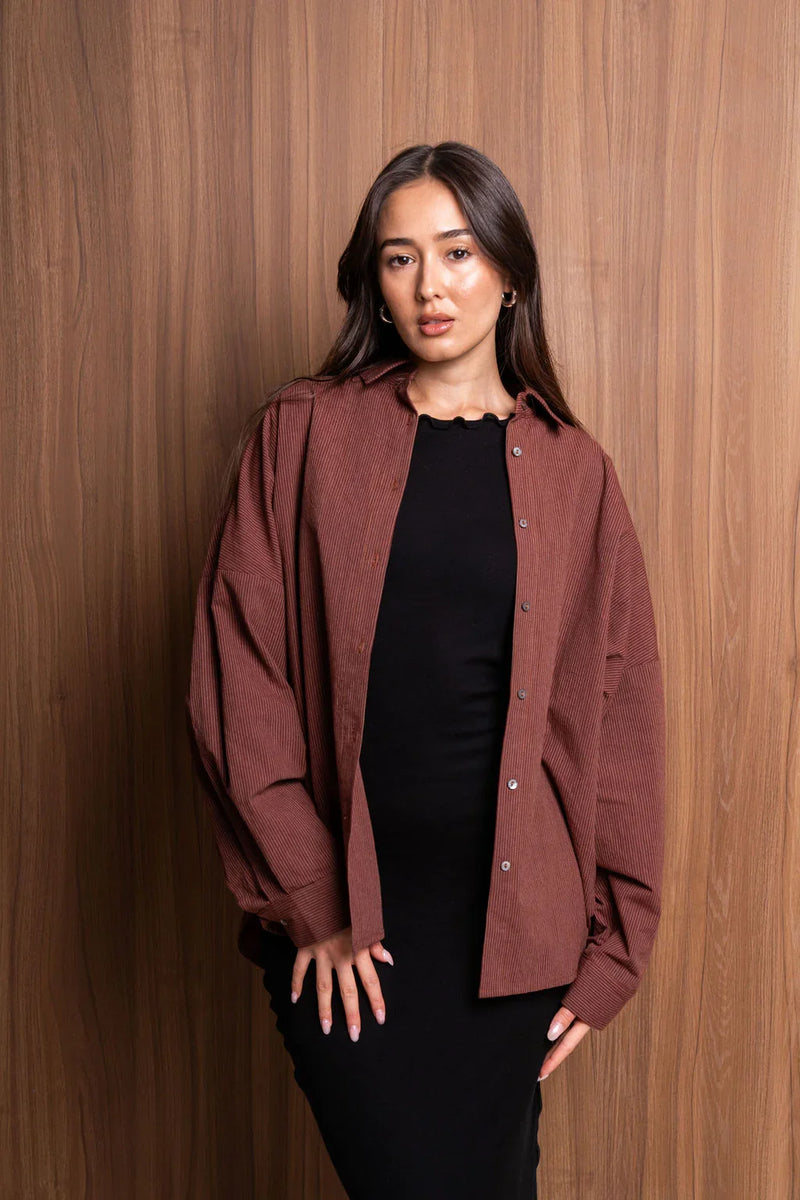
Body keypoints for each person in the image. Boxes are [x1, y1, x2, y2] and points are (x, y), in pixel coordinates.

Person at [185, 141, 666, 1200]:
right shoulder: (303, 433)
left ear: (507, 270)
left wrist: (615, 948)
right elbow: (238, 673)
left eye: (455, 251)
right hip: (350, 930)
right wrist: (312, 896)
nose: (430, 285)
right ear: (373, 281)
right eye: (398, 259)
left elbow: (617, 712)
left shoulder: (577, 472)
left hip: (513, 938)